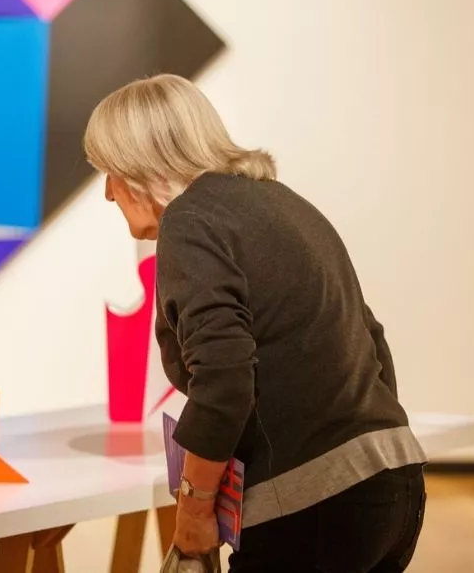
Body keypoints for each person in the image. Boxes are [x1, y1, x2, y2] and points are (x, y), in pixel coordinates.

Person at [83, 74, 428, 572]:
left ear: (140, 165)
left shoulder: (189, 220)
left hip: (314, 508)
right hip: (394, 483)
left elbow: (223, 378)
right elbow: (370, 340)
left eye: (110, 172)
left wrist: (195, 508)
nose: (108, 194)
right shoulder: (283, 202)